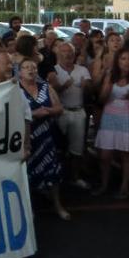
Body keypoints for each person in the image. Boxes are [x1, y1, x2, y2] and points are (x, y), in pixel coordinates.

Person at [95, 48, 129, 198]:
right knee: (105, 155)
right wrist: (106, 89)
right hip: (110, 117)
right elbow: (101, 99)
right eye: (123, 59)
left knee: (126, 153)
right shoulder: (110, 76)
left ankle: (124, 187)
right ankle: (104, 185)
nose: (127, 62)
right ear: (117, 61)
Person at [19, 58, 69, 220]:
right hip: (26, 136)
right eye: (26, 67)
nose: (30, 70)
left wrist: (48, 110)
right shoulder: (15, 89)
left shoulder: (45, 87)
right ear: (19, 72)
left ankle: (58, 205)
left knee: (52, 170)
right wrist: (33, 114)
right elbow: (12, 114)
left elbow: (59, 107)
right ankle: (29, 208)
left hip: (46, 136)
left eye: (33, 67)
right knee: (28, 174)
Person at [47, 42, 92, 190]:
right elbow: (51, 92)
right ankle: (57, 178)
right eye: (64, 52)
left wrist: (87, 86)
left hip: (78, 111)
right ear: (58, 54)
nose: (68, 55)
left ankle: (75, 177)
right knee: (57, 148)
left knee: (77, 149)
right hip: (61, 112)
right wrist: (64, 86)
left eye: (71, 52)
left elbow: (88, 87)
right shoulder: (53, 70)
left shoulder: (83, 69)